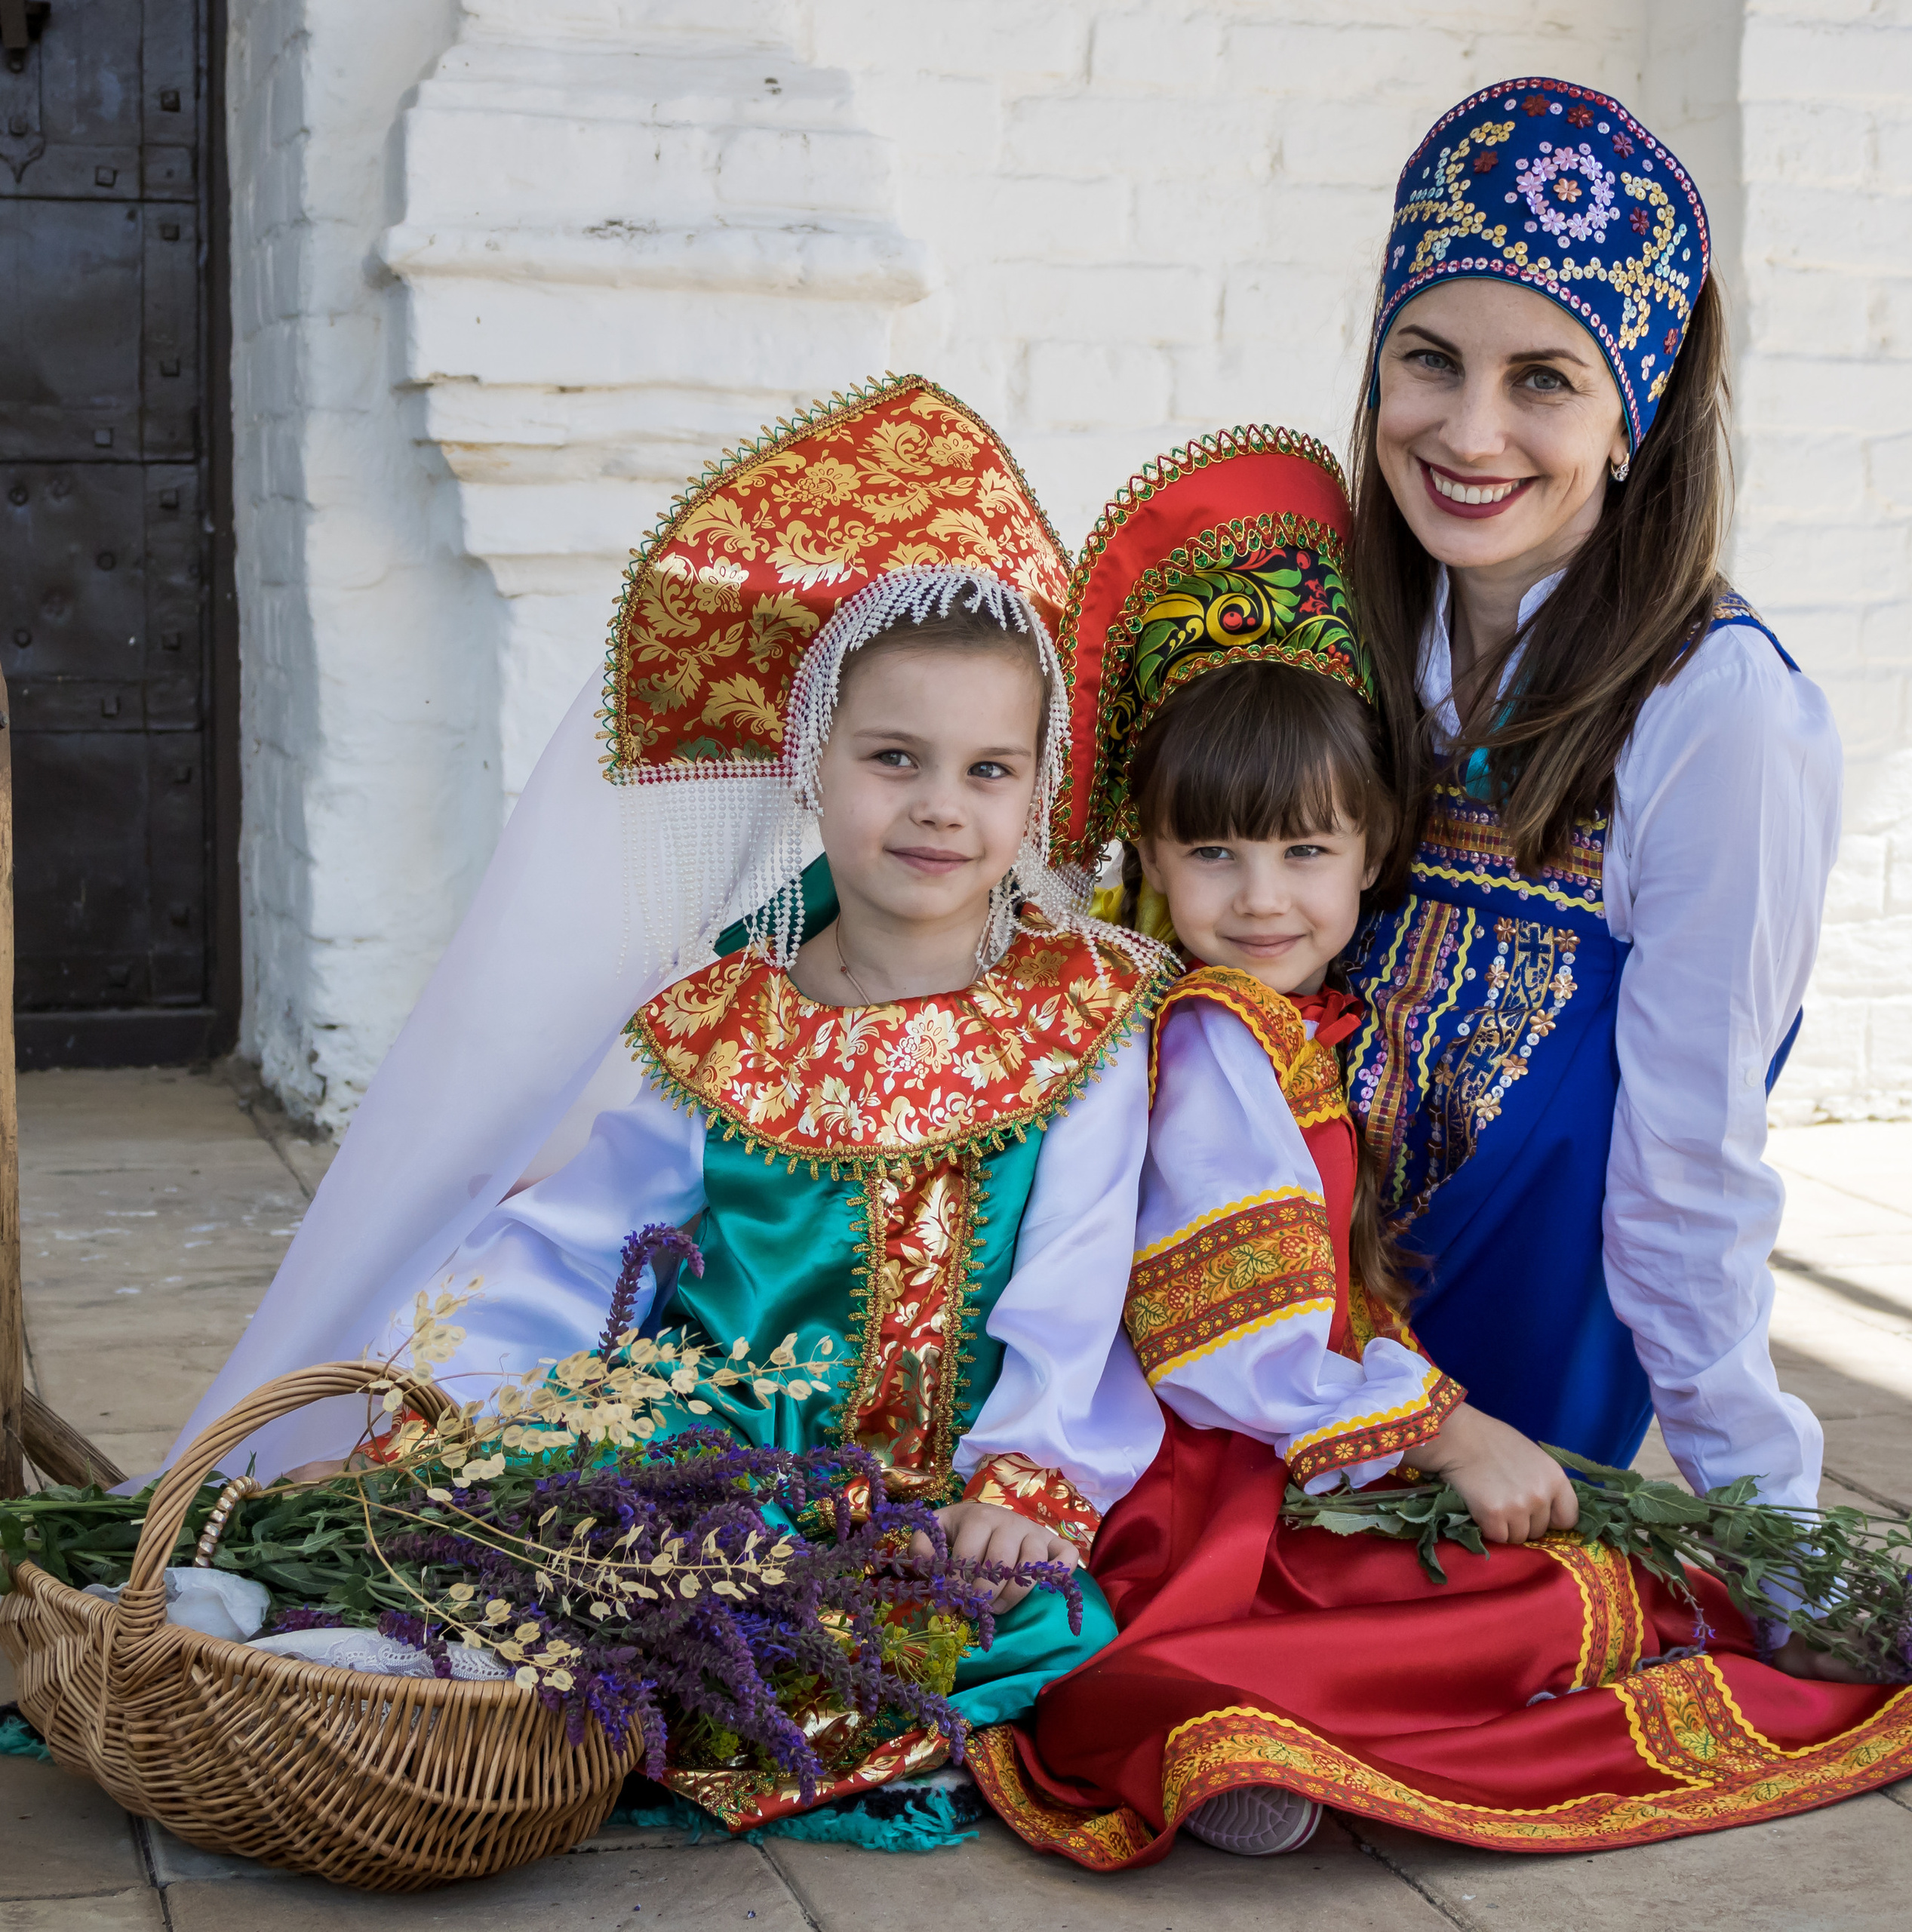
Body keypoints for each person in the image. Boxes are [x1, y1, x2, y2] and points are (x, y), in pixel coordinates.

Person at [160, 376, 1173, 1820]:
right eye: (894, 759)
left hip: (944, 1503)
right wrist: (453, 1406)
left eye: (987, 771)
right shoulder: (719, 1024)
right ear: (809, 764)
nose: (940, 807)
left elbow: (1072, 1287)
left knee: (1001, 1642)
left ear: (1035, 791)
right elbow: (582, 1242)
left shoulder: (1083, 1014)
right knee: (573, 1574)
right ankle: (364, 1653)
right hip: (710, 1471)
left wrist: (1029, 1481)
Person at [967, 423, 1912, 1869]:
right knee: (1531, 1601)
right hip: (1222, 1461)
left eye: (1305, 853)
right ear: (1148, 861)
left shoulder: (1291, 1029)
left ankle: (1263, 1728)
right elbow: (1229, 1332)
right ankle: (1232, 1741)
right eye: (1213, 854)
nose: (1262, 899)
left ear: (1376, 852)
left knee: (1530, 1577)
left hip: (1283, 1435)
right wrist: (1450, 1426)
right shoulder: (1213, 1043)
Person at [1339, 78, 1837, 1531]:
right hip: (1261, 1355)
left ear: (1636, 416)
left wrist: (1764, 1519)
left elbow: (1692, 1164)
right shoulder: (1332, 632)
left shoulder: (1714, 709)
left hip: (1505, 1450)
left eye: (1544, 379)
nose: (1471, 431)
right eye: (1429, 360)